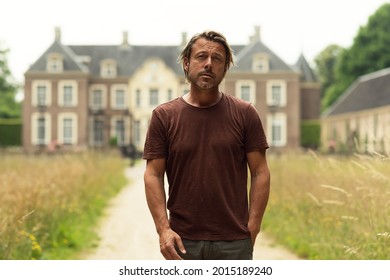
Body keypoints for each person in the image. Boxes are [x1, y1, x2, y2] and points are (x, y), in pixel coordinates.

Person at [143, 30, 270, 260]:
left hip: (234, 242)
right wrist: (163, 230)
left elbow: (260, 172)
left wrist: (253, 226)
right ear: (186, 63)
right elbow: (153, 174)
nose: (209, 64)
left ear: (225, 68)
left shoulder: (245, 114)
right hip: (182, 242)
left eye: (217, 59)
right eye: (201, 57)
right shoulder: (164, 116)